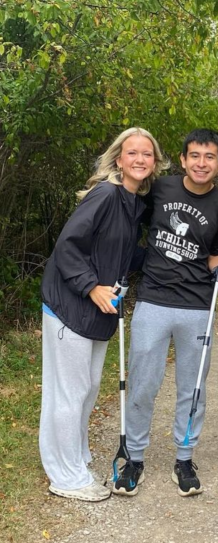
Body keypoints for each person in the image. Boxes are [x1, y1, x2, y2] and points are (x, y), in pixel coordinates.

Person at [39, 127, 167, 501]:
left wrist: (173, 257)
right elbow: (68, 246)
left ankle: (75, 459)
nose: (140, 159)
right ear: (118, 159)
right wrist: (91, 286)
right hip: (70, 305)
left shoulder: (132, 204)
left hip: (99, 312)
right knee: (70, 392)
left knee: (88, 388)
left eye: (147, 154)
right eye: (133, 152)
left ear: (155, 162)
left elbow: (123, 254)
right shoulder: (106, 194)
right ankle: (66, 477)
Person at [111, 129, 218, 497]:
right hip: (153, 300)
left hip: (196, 307)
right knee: (143, 384)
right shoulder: (160, 189)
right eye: (194, 155)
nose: (201, 163)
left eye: (209, 157)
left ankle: (184, 458)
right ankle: (133, 458)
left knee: (192, 387)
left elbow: (217, 253)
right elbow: (131, 221)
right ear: (182, 159)